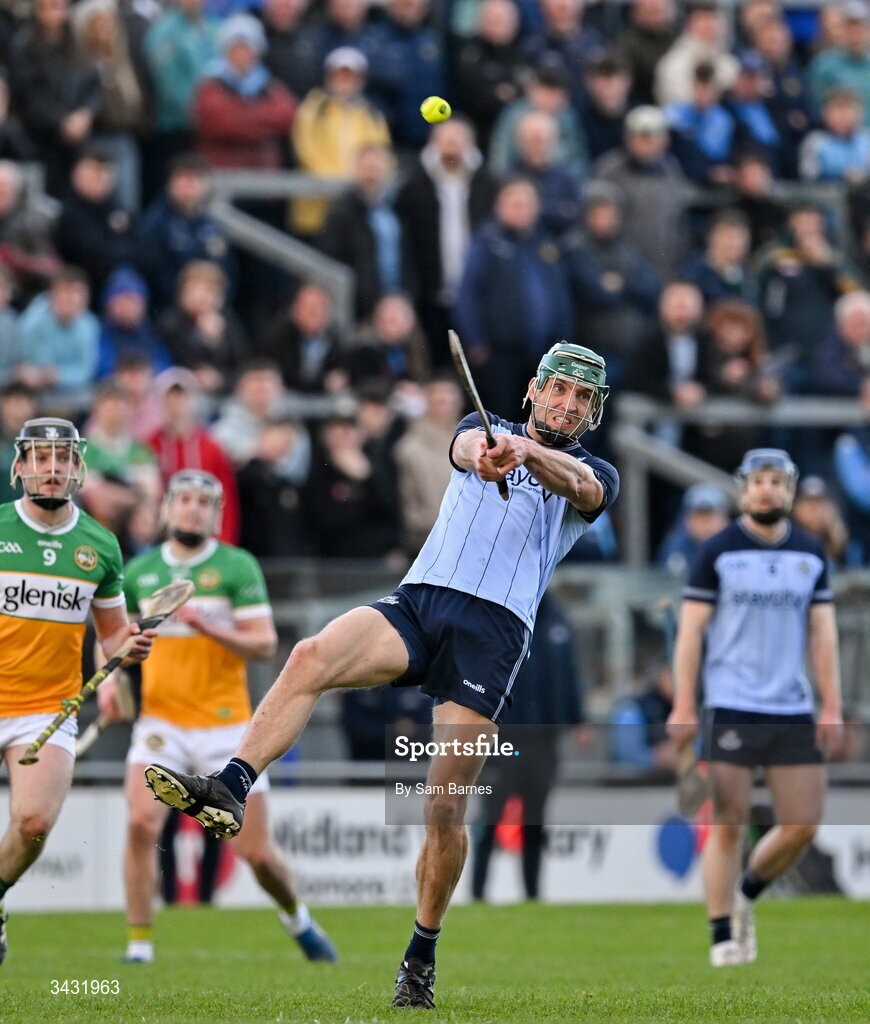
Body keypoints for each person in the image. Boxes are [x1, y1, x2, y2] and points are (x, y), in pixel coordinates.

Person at [142, 341, 619, 1008]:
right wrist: (493, 455)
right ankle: (230, 785)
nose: (566, 404)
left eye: (581, 398)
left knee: (444, 808)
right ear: (534, 391)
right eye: (558, 390)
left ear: (592, 413)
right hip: (422, 599)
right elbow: (464, 454)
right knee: (309, 656)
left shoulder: (594, 471)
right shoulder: (478, 432)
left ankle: (420, 954)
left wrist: (531, 456)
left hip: (493, 636)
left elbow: (584, 489)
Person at [99, 469, 336, 965]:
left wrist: (208, 626)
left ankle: (298, 919)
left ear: (217, 514)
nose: (192, 509)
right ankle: (139, 947)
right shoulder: (140, 571)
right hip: (161, 723)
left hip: (228, 728)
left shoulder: (236, 566)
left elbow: (265, 644)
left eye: (203, 503)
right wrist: (114, 676)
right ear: (166, 507)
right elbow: (114, 642)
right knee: (142, 825)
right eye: (183, 500)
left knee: (258, 855)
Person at [666, 448, 844, 968]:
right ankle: (722, 934)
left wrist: (831, 705)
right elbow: (690, 635)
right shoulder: (717, 551)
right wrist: (683, 702)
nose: (766, 490)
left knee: (803, 825)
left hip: (791, 706)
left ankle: (746, 893)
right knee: (728, 822)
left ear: (788, 490)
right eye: (757, 481)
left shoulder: (811, 553)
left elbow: (823, 636)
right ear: (743, 489)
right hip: (731, 702)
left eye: (776, 481)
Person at [0, 417, 155, 963]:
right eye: (41, 458)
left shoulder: (99, 545)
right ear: (20, 467)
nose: (51, 469)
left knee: (35, 823)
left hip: (46, 706)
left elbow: (111, 635)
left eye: (62, 458)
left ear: (77, 467)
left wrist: (126, 651)